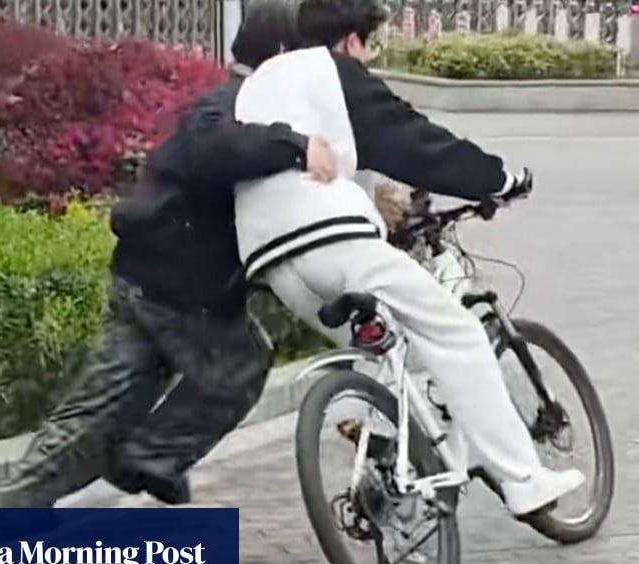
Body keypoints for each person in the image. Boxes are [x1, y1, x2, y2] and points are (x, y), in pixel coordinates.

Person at [231, 0, 586, 517]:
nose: (367, 58)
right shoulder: (332, 72)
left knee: (394, 353)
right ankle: (523, 478)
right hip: (330, 239)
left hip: (271, 260)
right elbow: (417, 143)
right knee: (457, 334)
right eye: (368, 46)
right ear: (352, 41)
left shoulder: (263, 83)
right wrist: (500, 179)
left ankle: (390, 484)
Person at [0, 0, 333, 510]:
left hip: (151, 279)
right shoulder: (234, 105)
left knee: (100, 414)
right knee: (240, 361)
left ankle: (10, 512)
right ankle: (149, 457)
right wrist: (296, 145)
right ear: (281, 57)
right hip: (175, 289)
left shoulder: (249, 107)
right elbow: (212, 146)